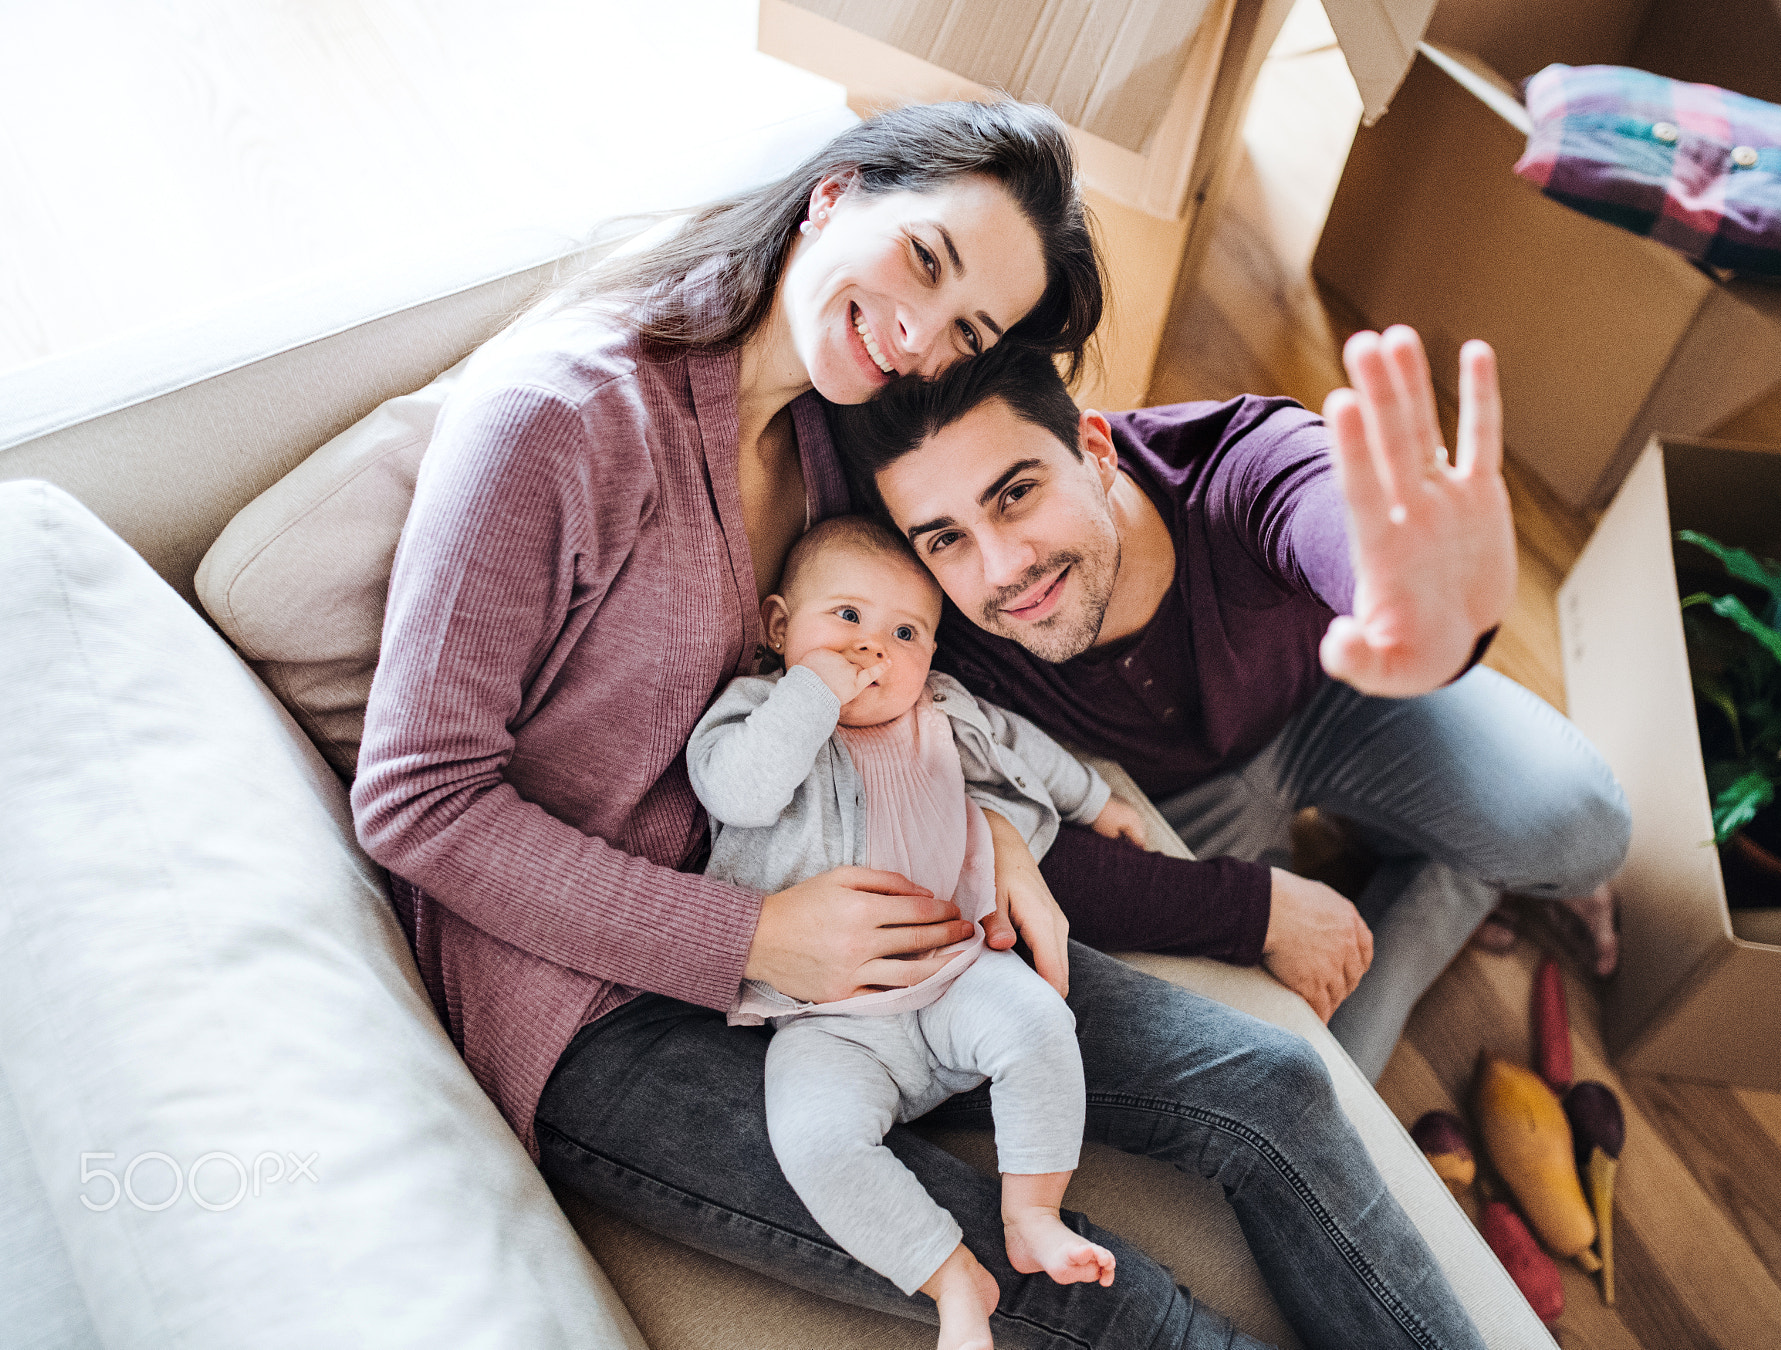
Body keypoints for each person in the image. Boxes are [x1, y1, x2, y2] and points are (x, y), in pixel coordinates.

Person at [353, 99, 1486, 1349]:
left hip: (873, 895)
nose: (915, 332)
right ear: (837, 192)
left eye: (967, 331)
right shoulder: (560, 423)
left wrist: (994, 828)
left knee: (1270, 1088)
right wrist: (750, 936)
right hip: (599, 1012)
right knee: (1096, 1305)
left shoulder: (849, 442)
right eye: (927, 260)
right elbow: (415, 800)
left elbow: (933, 681)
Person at [831, 332, 1632, 1082]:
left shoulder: (1237, 462)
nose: (1005, 569)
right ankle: (1455, 867)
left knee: (1586, 829)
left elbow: (1323, 508)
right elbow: (1017, 858)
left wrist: (1413, 606)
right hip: (1163, 808)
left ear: (1096, 451)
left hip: (1335, 695)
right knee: (1317, 1072)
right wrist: (1257, 912)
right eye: (945, 538)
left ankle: (1449, 859)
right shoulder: (936, 632)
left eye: (1015, 494)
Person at [691, 515, 1151, 1350]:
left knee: (1043, 1023)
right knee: (813, 1140)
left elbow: (1027, 752)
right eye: (846, 620)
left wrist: (1094, 799)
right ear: (779, 626)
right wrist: (810, 692)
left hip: (956, 974)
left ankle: (1031, 1214)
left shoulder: (942, 712)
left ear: (931, 657)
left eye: (905, 632)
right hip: (823, 1020)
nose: (873, 650)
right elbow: (739, 794)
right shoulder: (756, 713)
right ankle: (950, 1278)